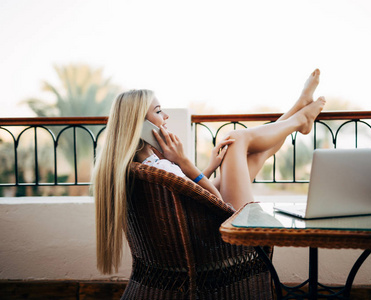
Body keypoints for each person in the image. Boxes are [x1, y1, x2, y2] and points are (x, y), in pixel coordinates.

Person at [93, 69, 325, 274]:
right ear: (140, 125)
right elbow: (217, 202)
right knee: (236, 138)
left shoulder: (144, 166)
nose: (165, 117)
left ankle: (298, 110)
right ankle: (299, 119)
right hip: (226, 227)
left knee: (255, 155)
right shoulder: (160, 166)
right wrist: (185, 162)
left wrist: (208, 168)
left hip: (202, 231)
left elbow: (188, 193)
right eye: (159, 111)